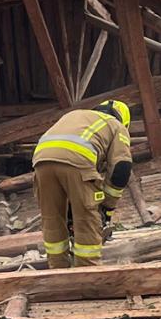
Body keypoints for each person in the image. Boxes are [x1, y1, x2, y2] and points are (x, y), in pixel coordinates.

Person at [33, 100, 134, 268]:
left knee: (52, 218)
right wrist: (107, 206)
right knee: (86, 218)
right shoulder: (116, 126)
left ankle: (58, 269)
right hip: (77, 159)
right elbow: (121, 168)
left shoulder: (75, 115)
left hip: (41, 160)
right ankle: (88, 270)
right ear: (124, 120)